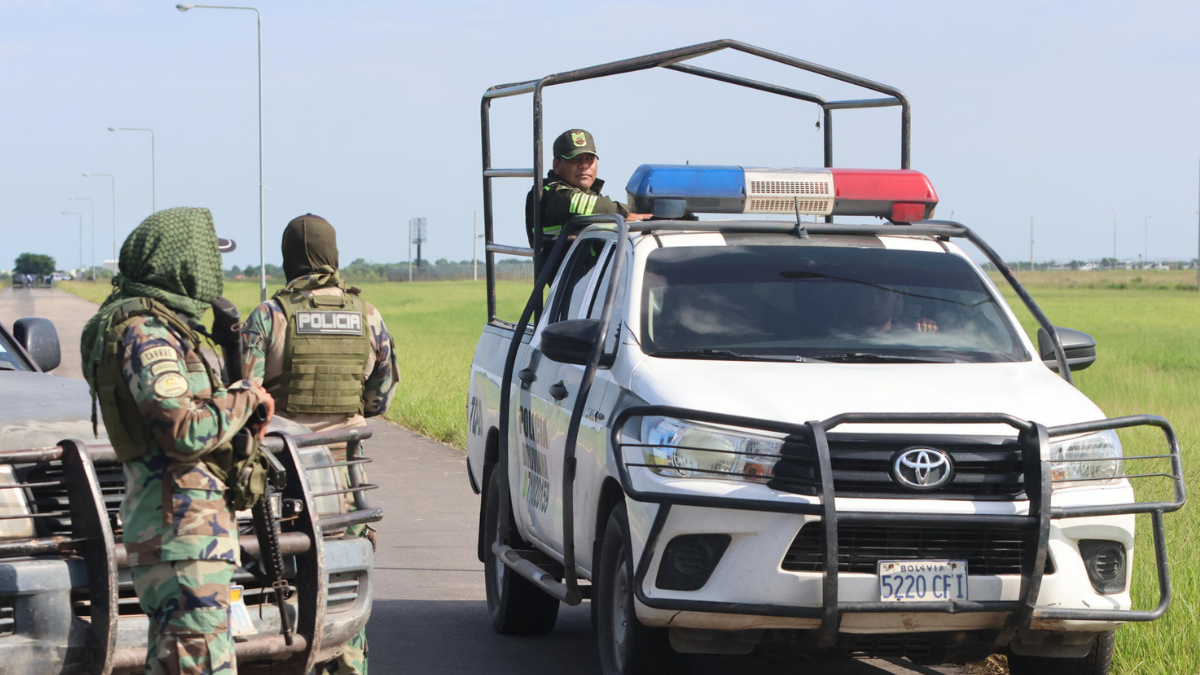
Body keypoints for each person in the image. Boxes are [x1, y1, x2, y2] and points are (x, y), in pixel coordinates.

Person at [81, 207, 275, 675]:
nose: (218, 271)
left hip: (190, 535)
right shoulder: (146, 333)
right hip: (182, 534)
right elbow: (183, 430)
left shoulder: (164, 326)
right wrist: (245, 399)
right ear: (183, 264)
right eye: (211, 258)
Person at [240, 213, 398, 675]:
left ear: (289, 258)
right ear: (332, 253)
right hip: (345, 482)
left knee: (276, 581)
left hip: (281, 482)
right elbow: (381, 395)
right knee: (345, 580)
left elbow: (241, 402)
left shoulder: (268, 316)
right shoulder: (367, 316)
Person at [525, 128, 651, 269]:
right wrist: (625, 213)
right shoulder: (548, 193)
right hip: (571, 283)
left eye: (589, 159)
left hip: (593, 279)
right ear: (556, 165)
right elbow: (577, 203)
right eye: (575, 159)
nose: (584, 165)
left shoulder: (591, 197)